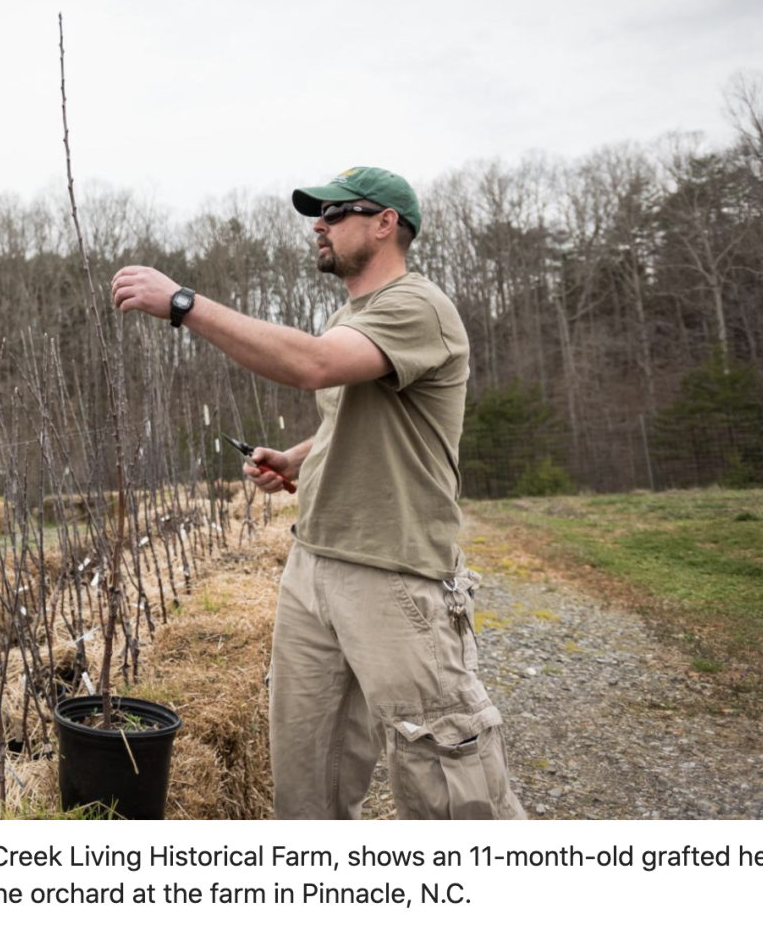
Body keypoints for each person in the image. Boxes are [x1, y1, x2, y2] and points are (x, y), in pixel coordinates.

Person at [110, 166, 525, 821]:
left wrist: (185, 304)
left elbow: (312, 365)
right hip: (313, 565)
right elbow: (348, 417)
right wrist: (296, 459)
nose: (318, 226)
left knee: (447, 778)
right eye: (317, 215)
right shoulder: (349, 316)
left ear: (385, 223)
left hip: (392, 571)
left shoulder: (417, 306)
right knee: (307, 779)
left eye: (334, 213)